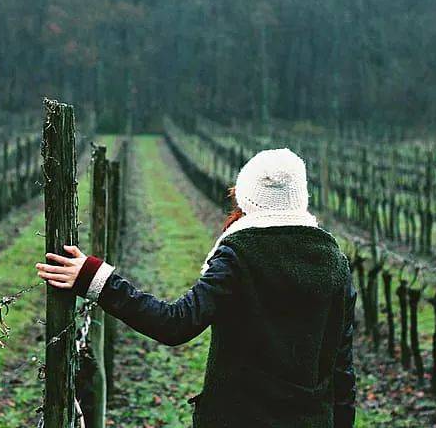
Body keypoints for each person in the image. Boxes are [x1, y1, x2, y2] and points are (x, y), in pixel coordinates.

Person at [35, 148, 356, 428]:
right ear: (300, 199)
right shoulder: (335, 262)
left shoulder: (238, 255)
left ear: (247, 200)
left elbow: (175, 323)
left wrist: (96, 279)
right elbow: (341, 372)